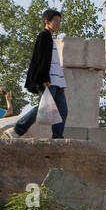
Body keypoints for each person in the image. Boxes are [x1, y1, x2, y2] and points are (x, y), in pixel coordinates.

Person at [8, 9, 67, 139]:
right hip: (49, 79)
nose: (58, 24)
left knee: (62, 110)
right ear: (47, 21)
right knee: (43, 108)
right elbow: (40, 59)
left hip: (58, 81)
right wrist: (44, 78)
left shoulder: (51, 38)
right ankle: (17, 129)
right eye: (56, 21)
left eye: (59, 21)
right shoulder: (43, 36)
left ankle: (57, 136)